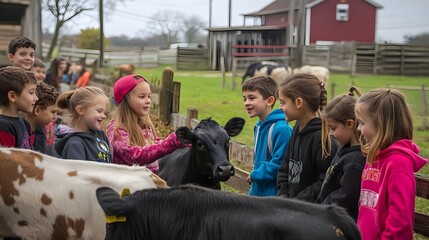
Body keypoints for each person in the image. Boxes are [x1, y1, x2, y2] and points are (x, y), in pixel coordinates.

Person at [355, 88, 428, 240]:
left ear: (381, 125)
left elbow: (399, 224)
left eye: (362, 123)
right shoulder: (374, 158)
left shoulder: (398, 164)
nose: (359, 129)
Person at [106, 74, 187, 173]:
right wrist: (172, 142)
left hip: (149, 181)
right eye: (142, 96)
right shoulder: (117, 130)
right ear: (126, 100)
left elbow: (156, 145)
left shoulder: (145, 126)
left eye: (149, 96)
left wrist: (182, 142)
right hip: (127, 185)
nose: (148, 101)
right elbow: (136, 156)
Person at [276, 73, 338, 202]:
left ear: (298, 102)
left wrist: (297, 202)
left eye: (283, 102)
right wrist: (283, 195)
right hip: (291, 208)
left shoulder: (322, 140)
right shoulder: (296, 129)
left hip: (309, 213)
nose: (280, 107)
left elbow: (324, 182)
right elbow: (285, 166)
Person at [316, 87, 366, 221]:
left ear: (350, 124)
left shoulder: (355, 162)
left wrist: (319, 211)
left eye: (333, 128)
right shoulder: (343, 148)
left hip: (338, 223)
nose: (331, 134)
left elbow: (346, 198)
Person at [242, 76, 292, 196]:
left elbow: (279, 164)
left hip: (272, 197)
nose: (246, 103)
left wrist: (255, 175)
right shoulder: (259, 127)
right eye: (244, 99)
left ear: (269, 101)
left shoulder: (282, 129)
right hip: (257, 193)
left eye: (252, 98)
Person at [54, 86, 111, 163]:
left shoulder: (101, 135)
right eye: (99, 111)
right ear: (81, 110)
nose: (104, 116)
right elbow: (79, 173)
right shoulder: (74, 144)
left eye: (104, 112)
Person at [0, 66, 38, 149]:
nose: (36, 98)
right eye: (31, 92)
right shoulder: (3, 127)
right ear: (12, 96)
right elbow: (7, 160)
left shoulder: (25, 122)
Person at [25, 82, 60, 153]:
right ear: (37, 110)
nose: (55, 118)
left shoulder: (41, 132)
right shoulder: (21, 132)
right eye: (53, 112)